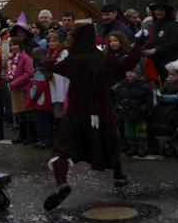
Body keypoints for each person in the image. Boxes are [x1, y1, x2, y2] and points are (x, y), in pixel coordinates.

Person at [42, 23, 145, 211]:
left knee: (61, 150)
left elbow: (54, 66)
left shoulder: (73, 62)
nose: (69, 39)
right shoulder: (105, 58)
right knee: (110, 141)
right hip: (101, 111)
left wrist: (46, 60)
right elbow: (127, 63)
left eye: (72, 36)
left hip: (76, 113)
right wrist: (138, 45)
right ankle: (119, 176)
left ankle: (62, 183)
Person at [112, 68, 151, 157]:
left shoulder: (144, 86)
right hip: (126, 112)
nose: (129, 74)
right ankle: (132, 146)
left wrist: (144, 109)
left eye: (132, 72)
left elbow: (148, 100)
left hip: (139, 113)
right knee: (129, 131)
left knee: (141, 131)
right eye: (128, 71)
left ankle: (142, 147)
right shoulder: (122, 85)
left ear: (137, 74)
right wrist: (118, 107)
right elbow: (118, 98)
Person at [144, 0, 178, 80]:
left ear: (167, 11)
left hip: (170, 61)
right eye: (156, 10)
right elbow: (155, 40)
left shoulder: (174, 25)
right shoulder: (155, 24)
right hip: (157, 61)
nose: (158, 12)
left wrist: (156, 49)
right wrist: (146, 47)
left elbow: (175, 42)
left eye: (161, 10)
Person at [5, 37, 35, 144]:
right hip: (15, 89)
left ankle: (31, 135)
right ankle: (22, 135)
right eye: (11, 45)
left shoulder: (25, 58)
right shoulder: (11, 58)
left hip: (24, 89)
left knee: (27, 113)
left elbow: (28, 74)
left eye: (15, 44)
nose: (13, 47)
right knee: (20, 113)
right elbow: (11, 71)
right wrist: (8, 76)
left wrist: (14, 82)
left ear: (20, 45)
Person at [26, 49, 53, 149]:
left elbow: (38, 86)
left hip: (39, 101)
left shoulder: (38, 71)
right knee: (45, 121)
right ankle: (46, 139)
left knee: (41, 122)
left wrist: (32, 97)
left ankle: (47, 140)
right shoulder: (46, 69)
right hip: (44, 100)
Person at [46, 33, 69, 127]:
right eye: (49, 41)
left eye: (53, 41)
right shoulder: (50, 53)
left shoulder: (64, 53)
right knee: (56, 107)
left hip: (63, 82)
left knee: (62, 105)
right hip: (54, 82)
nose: (51, 43)